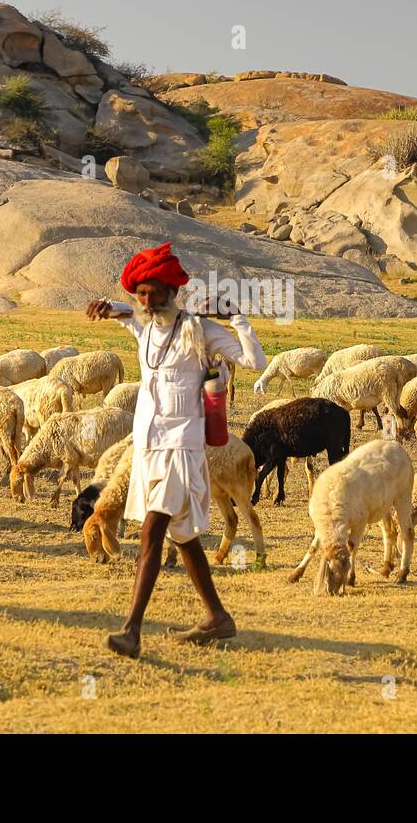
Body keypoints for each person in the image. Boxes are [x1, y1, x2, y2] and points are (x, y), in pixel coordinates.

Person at [86, 242, 266, 659]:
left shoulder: (199, 330)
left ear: (172, 291)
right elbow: (121, 310)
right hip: (149, 446)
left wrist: (236, 318)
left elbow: (254, 361)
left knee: (152, 533)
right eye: (142, 294)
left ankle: (131, 630)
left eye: (155, 293)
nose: (148, 301)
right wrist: (107, 305)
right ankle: (218, 617)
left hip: (182, 448)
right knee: (183, 538)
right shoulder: (143, 325)